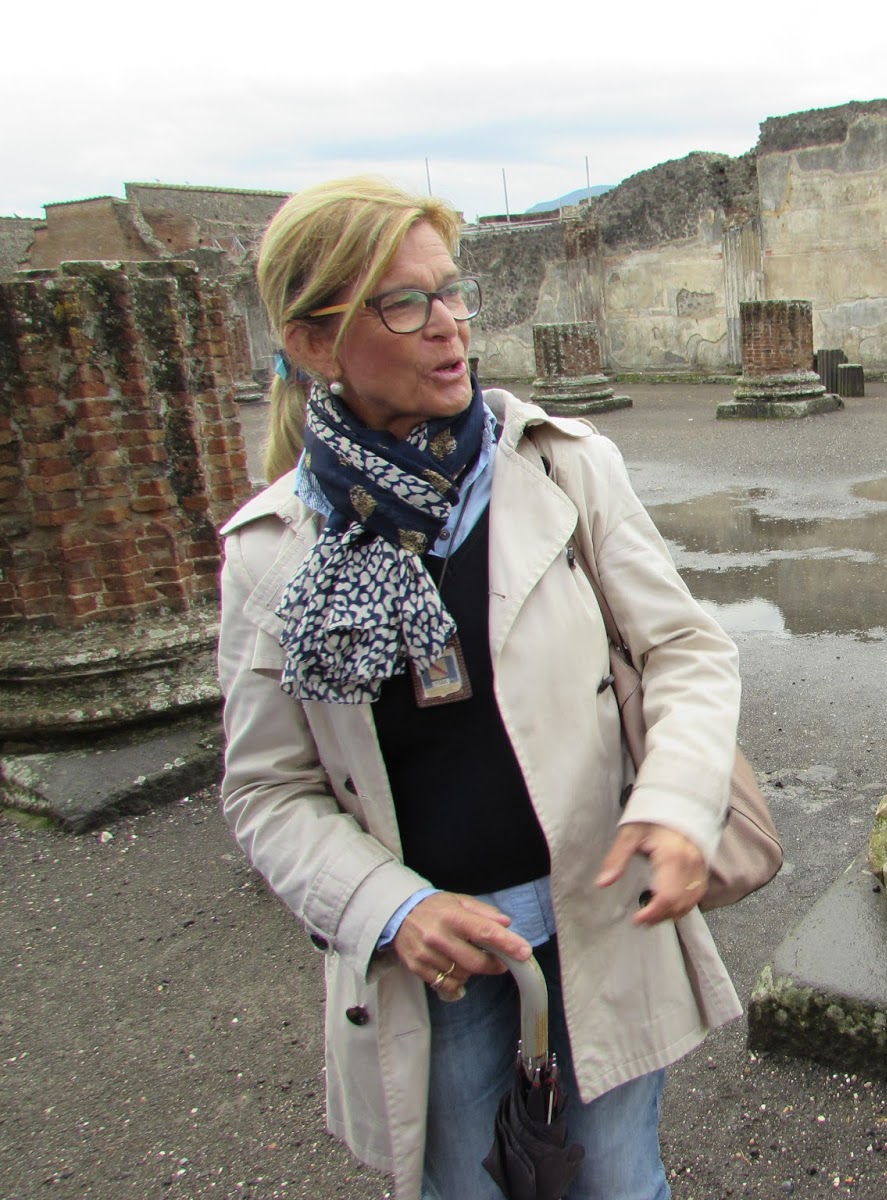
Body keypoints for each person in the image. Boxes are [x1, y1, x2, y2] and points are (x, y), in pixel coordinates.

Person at [217, 176, 742, 1200]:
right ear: (316, 343)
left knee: (617, 1180)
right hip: (435, 964)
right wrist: (391, 908)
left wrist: (679, 803)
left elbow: (685, 649)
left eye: (451, 291)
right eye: (402, 303)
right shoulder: (273, 549)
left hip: (602, 913)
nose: (448, 324)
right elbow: (268, 790)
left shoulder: (561, 467)